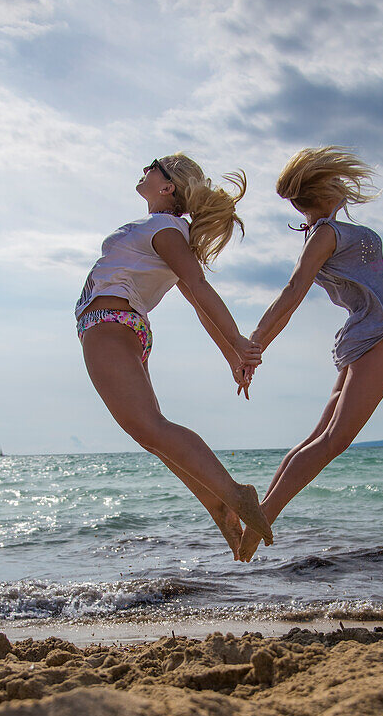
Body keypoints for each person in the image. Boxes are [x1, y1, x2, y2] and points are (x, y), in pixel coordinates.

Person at [76, 153, 273, 557]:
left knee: (149, 427)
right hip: (122, 327)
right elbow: (197, 301)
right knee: (152, 435)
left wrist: (237, 341)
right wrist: (230, 356)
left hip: (109, 324)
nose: (143, 170)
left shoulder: (165, 229)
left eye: (152, 166)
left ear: (167, 186)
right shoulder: (169, 233)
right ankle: (221, 508)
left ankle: (234, 494)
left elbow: (200, 288)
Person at [237, 146, 383, 562]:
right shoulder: (325, 234)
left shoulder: (324, 232)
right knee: (333, 440)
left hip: (362, 337)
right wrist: (253, 345)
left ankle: (257, 517)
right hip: (375, 335)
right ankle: (262, 521)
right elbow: (293, 292)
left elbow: (295, 290)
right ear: (329, 189)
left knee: (318, 438)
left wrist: (252, 348)